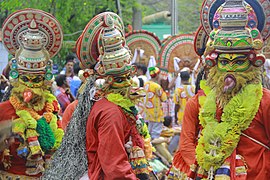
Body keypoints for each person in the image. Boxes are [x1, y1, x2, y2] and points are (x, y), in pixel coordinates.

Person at [43, 12, 153, 179]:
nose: (130, 82)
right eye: (126, 77)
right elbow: (115, 168)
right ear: (107, 79)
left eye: (129, 75)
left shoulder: (113, 106)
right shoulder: (111, 112)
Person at [170, 1, 270, 179]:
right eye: (224, 62)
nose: (230, 71)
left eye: (239, 62)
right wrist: (200, 168)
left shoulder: (265, 101)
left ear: (253, 63)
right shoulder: (206, 102)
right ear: (213, 66)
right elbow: (186, 144)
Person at [0, 9, 64, 178]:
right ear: (16, 78)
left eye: (36, 81)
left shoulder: (52, 108)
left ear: (45, 81)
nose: (30, 87)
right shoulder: (4, 110)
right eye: (25, 79)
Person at [144, 67, 167, 140]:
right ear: (157, 75)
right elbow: (164, 98)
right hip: (156, 113)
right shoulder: (157, 86)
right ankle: (154, 149)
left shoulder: (146, 84)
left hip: (148, 113)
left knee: (149, 132)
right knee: (156, 134)